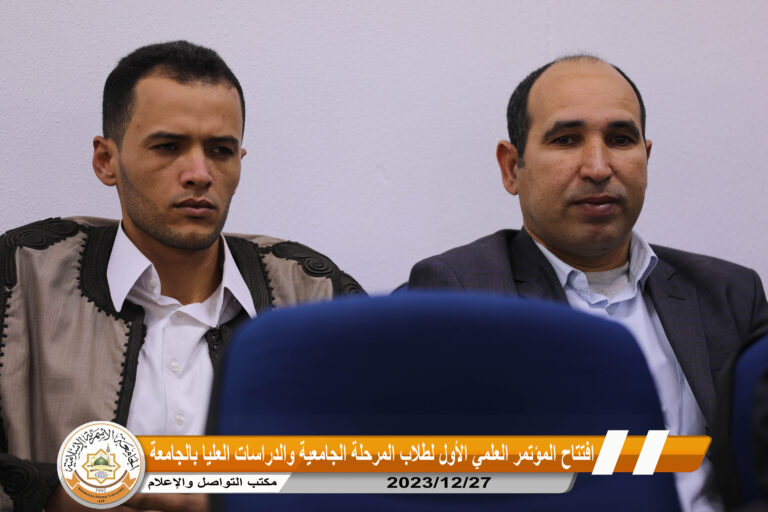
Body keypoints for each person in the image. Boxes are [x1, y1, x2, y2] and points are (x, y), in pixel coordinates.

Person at [0, 41, 364, 511]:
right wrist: (57, 493)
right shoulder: (20, 277)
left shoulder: (314, 293)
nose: (199, 173)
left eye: (220, 150)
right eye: (168, 147)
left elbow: (394, 466)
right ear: (107, 160)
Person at [408, 55, 768, 511]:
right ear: (512, 167)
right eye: (566, 139)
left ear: (645, 158)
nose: (598, 167)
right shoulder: (460, 292)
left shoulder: (729, 292)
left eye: (620, 140)